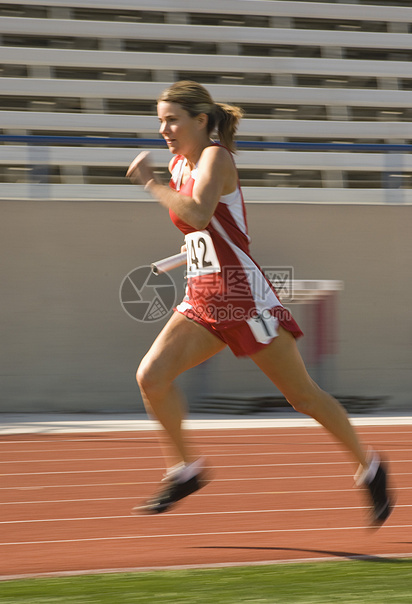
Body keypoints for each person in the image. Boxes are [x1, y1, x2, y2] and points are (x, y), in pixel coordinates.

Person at [126, 80, 393, 526]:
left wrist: (151, 182)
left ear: (201, 121)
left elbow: (196, 213)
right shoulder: (178, 165)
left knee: (302, 396)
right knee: (151, 377)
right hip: (203, 295)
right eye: (160, 121)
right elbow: (202, 232)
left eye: (172, 120)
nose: (164, 130)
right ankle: (186, 470)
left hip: (245, 300)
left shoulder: (216, 157)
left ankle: (369, 467)